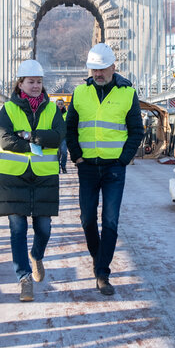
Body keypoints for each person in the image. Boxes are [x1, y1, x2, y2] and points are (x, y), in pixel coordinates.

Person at [66, 43, 144, 295]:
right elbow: (70, 129)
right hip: (87, 167)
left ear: (113, 67)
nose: (97, 74)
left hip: (113, 169)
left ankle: (102, 273)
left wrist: (123, 159)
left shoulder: (127, 94)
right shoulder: (79, 93)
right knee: (87, 219)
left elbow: (136, 131)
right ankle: (99, 259)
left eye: (102, 69)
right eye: (93, 69)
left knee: (110, 220)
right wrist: (76, 156)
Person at [0, 59, 66, 302]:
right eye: (31, 82)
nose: (36, 86)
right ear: (20, 83)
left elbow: (58, 137)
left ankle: (37, 255)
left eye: (39, 82)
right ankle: (24, 278)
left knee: (43, 229)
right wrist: (35, 142)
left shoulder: (53, 109)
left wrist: (28, 135)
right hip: (14, 177)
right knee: (17, 229)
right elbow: (5, 140)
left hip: (43, 177)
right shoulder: (8, 109)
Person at [55, 98, 69, 174]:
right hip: (56, 136)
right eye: (59, 104)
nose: (60, 105)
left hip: (64, 136)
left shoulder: (66, 113)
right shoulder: (53, 113)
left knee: (64, 152)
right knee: (57, 152)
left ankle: (63, 166)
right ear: (56, 104)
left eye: (61, 104)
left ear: (63, 105)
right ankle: (57, 167)